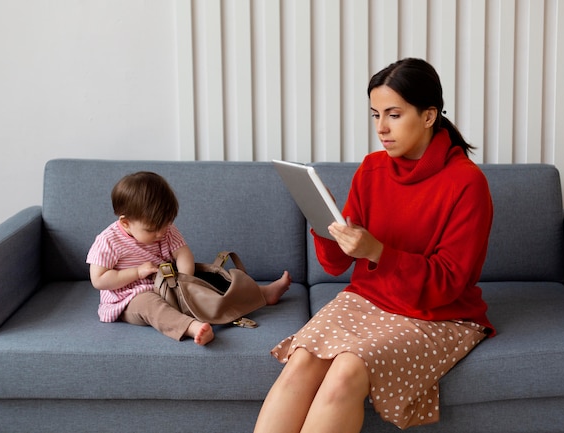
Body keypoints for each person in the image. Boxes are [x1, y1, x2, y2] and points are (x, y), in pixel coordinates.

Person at [254, 58, 494, 432]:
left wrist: (379, 253)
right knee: (300, 361)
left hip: (439, 313)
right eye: (375, 114)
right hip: (369, 298)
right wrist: (324, 222)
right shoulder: (371, 169)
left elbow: (450, 282)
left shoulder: (467, 183)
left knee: (346, 372)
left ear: (429, 116)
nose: (381, 128)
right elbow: (335, 263)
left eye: (394, 115)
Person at [87, 171, 291, 346]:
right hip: (129, 298)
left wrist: (185, 283)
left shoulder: (165, 229)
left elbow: (183, 254)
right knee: (150, 305)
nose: (160, 234)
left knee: (207, 280)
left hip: (169, 285)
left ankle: (261, 294)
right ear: (125, 223)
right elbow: (99, 280)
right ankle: (190, 327)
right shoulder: (108, 241)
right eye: (152, 230)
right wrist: (136, 272)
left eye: (165, 226)